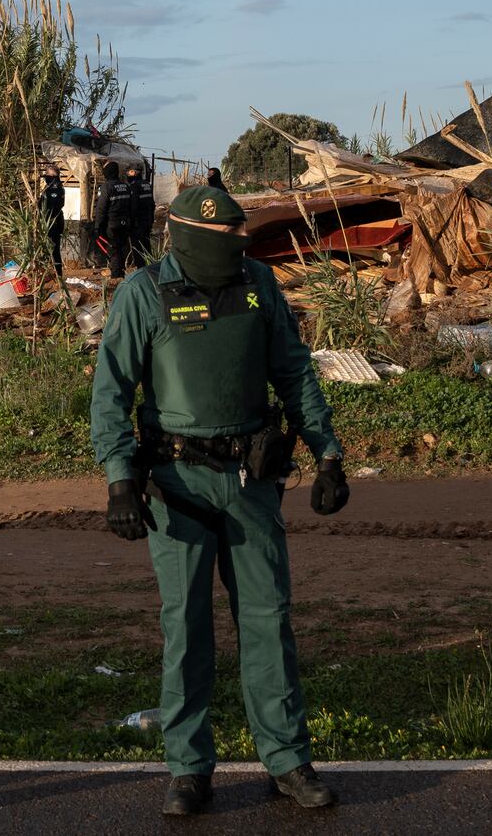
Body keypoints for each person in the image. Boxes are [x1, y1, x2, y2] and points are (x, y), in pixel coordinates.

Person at [90, 184, 348, 816]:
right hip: (176, 486)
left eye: (241, 237)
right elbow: (111, 392)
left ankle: (288, 761)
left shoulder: (259, 285)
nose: (239, 246)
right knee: (186, 628)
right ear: (191, 237)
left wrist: (329, 454)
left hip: (251, 483)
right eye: (227, 238)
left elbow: (294, 372)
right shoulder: (143, 294)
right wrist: (120, 479)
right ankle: (189, 770)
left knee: (268, 621)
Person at [38, 162, 66, 273]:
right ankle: (51, 272)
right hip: (52, 221)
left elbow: (52, 206)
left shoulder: (55, 188)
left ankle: (58, 273)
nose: (46, 177)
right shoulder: (54, 186)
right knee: (51, 248)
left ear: (53, 176)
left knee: (53, 249)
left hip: (52, 222)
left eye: (48, 175)